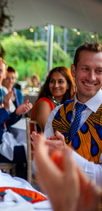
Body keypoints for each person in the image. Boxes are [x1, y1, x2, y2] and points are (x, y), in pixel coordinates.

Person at [44, 42, 102, 185]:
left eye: (99, 71)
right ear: (74, 71)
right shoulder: (57, 114)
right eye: (85, 69)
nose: (92, 77)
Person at [32, 132, 101, 211]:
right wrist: (45, 157)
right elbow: (35, 168)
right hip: (52, 202)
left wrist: (67, 153)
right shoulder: (53, 119)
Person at [31, 67, 75, 132]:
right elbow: (49, 133)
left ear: (68, 85)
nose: (56, 85)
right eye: (52, 81)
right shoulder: (43, 103)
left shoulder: (66, 105)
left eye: (60, 82)